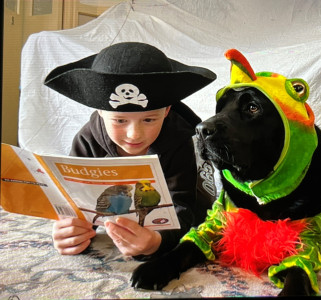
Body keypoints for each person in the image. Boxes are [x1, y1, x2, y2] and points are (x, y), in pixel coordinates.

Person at [44, 42, 217, 259]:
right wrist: (70, 231)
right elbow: (74, 199)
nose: (134, 134)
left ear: (167, 111)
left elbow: (187, 208)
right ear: (99, 111)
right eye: (119, 120)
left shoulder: (182, 140)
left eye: (148, 119)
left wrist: (158, 242)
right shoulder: (87, 139)